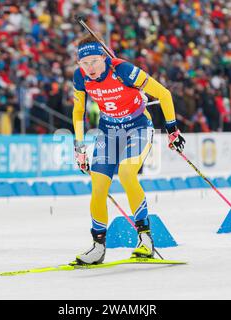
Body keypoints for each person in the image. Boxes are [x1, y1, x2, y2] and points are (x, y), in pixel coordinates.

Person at [72, 34, 185, 265]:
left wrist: (172, 128)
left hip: (138, 127)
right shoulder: (80, 77)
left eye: (94, 61)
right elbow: (78, 112)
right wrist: (80, 147)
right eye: (84, 63)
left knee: (126, 173)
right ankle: (98, 247)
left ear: (103, 57)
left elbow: (164, 94)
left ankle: (145, 239)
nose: (90, 68)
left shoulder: (123, 70)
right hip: (108, 131)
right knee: (99, 185)